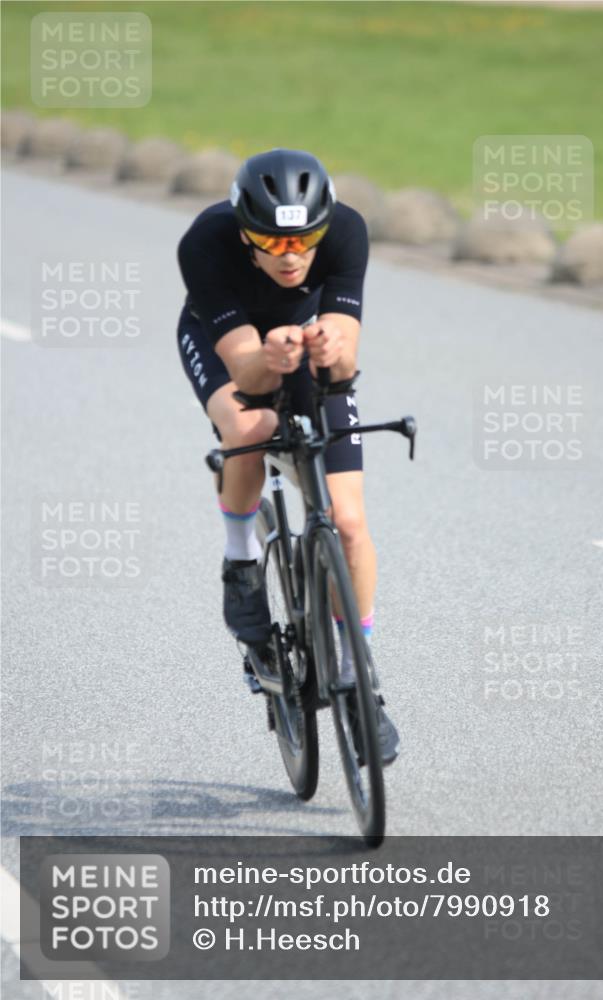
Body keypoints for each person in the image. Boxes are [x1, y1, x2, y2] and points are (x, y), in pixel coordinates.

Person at [177, 148, 398, 764]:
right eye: (273, 243)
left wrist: (331, 348)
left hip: (305, 342)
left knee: (347, 522)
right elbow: (247, 371)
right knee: (254, 424)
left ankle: (359, 676)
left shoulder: (346, 231)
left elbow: (345, 363)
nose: (291, 255)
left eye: (304, 240)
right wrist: (267, 358)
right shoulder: (206, 244)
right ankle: (240, 563)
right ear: (245, 234)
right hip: (229, 344)